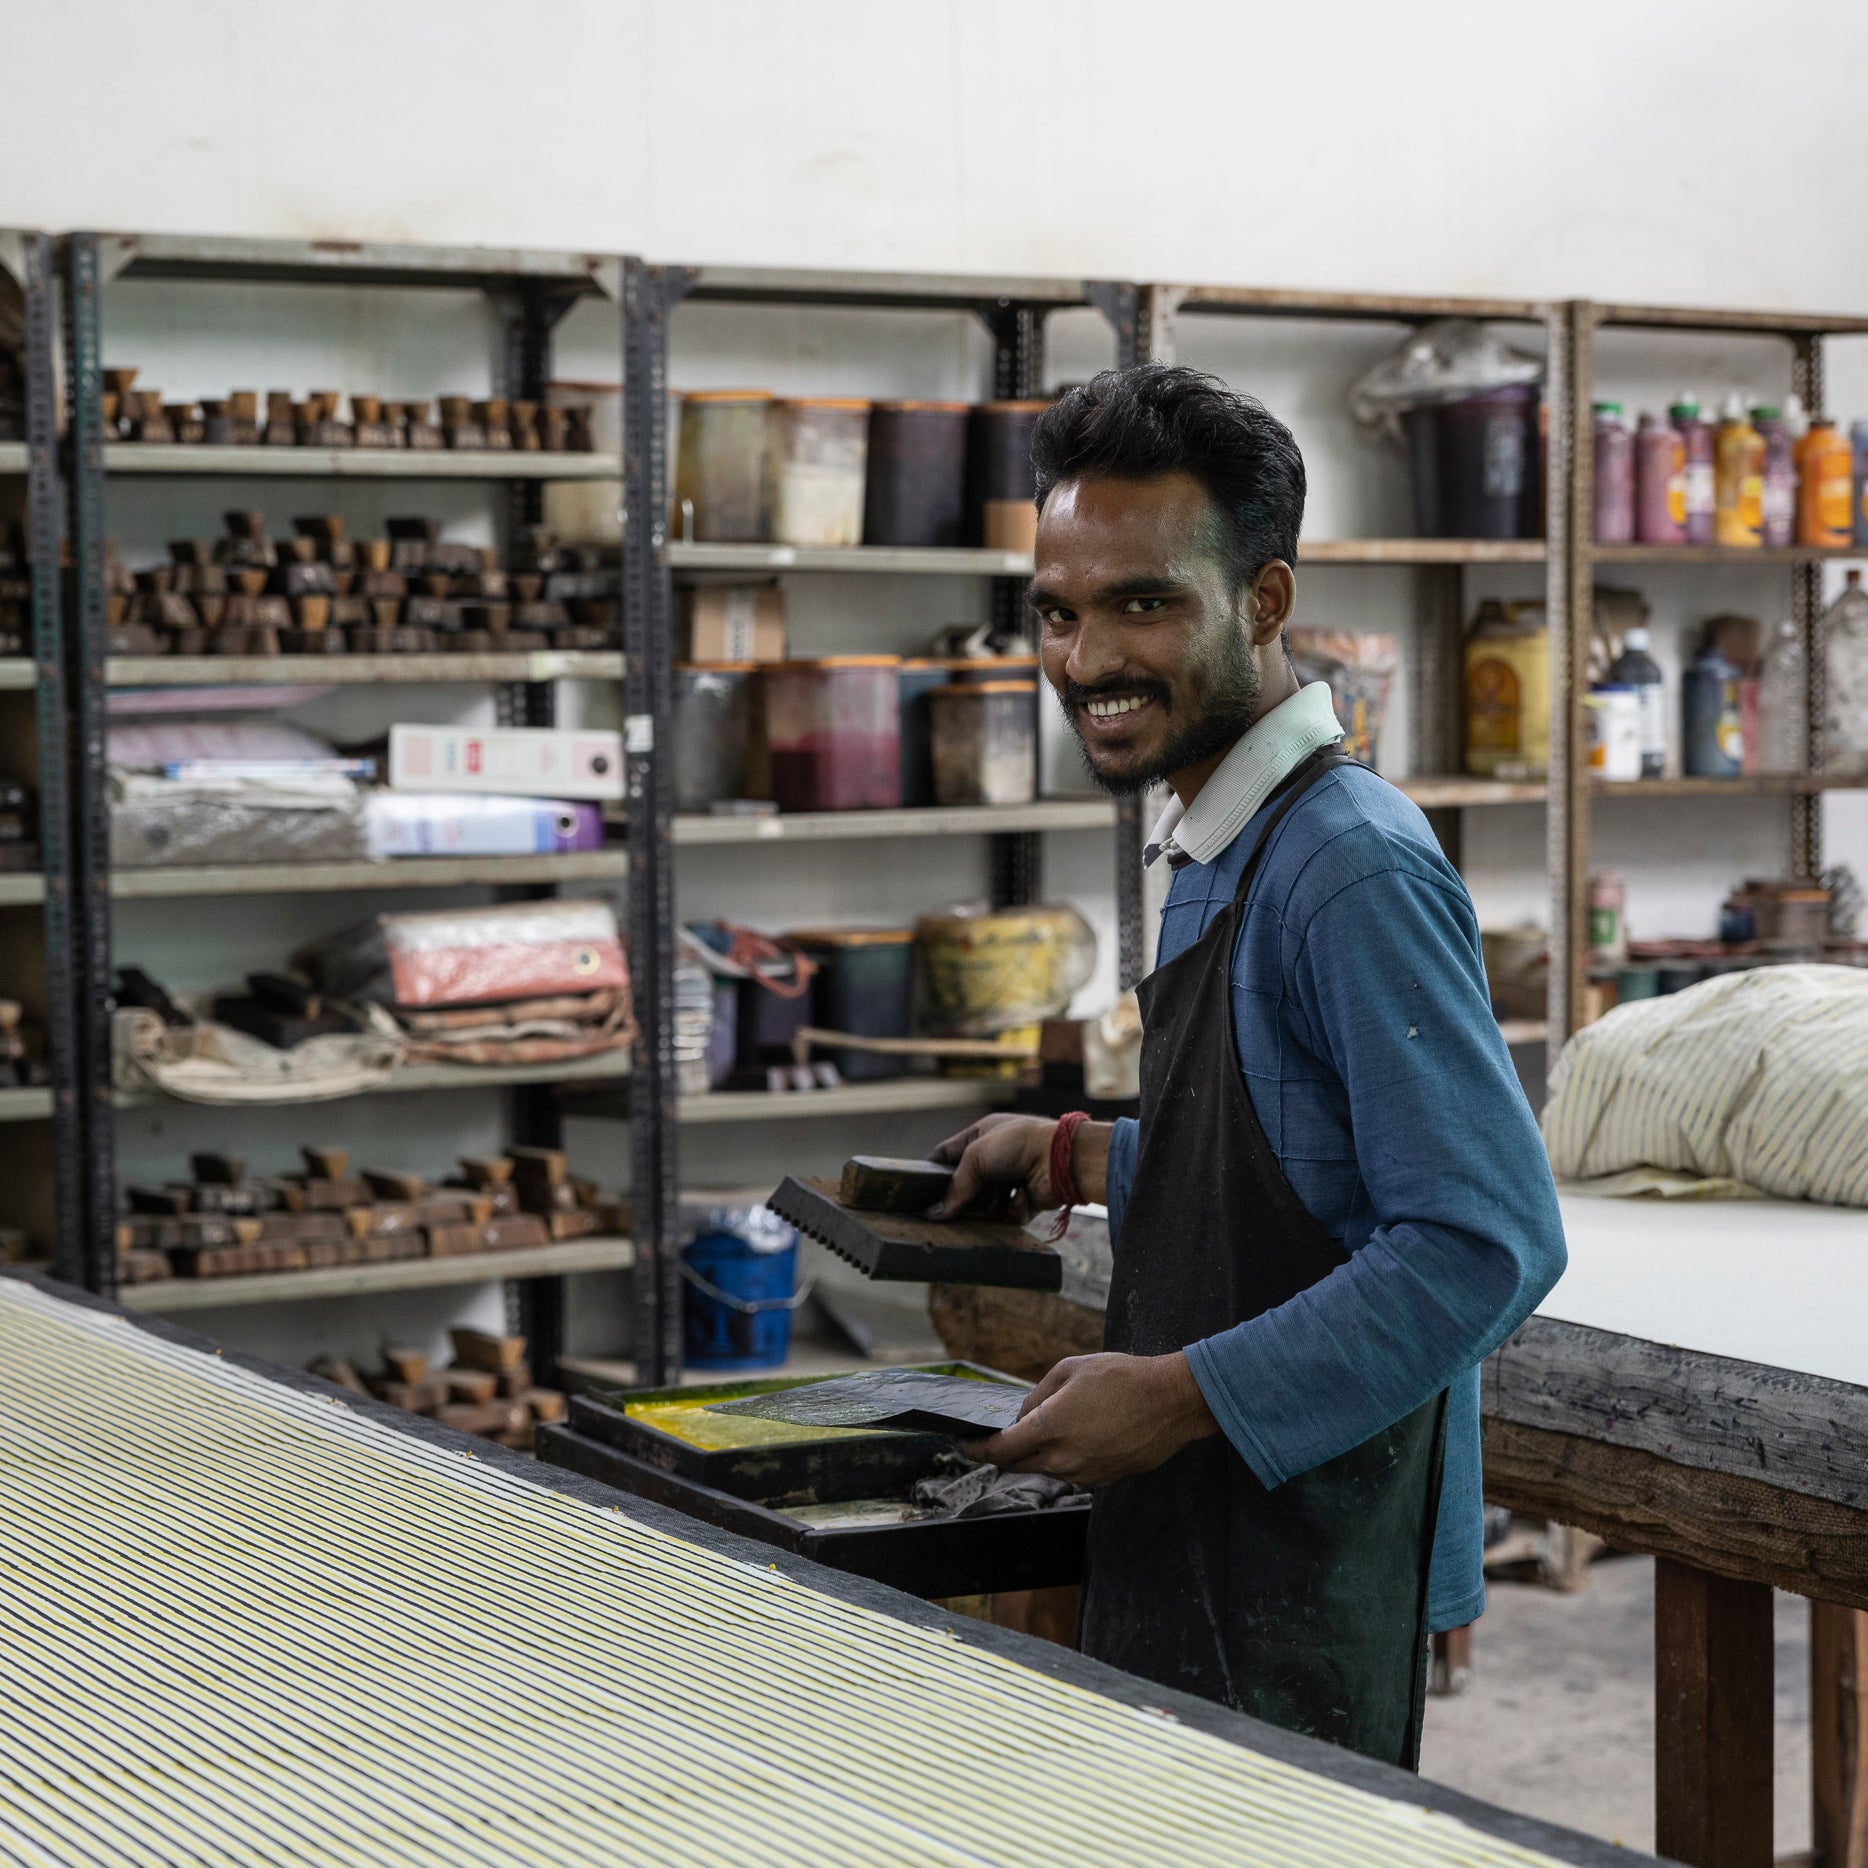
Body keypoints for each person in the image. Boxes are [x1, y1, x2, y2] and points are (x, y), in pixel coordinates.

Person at [930, 364, 1566, 1769]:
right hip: (1209, 1519)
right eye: (1060, 611)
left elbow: (1483, 1245)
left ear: (1263, 603)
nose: (1088, 659)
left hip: (1305, 1555)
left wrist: (1168, 1400)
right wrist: (1077, 1156)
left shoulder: (1347, 864)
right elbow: (1289, 1172)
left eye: (1144, 603)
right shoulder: (1224, 831)